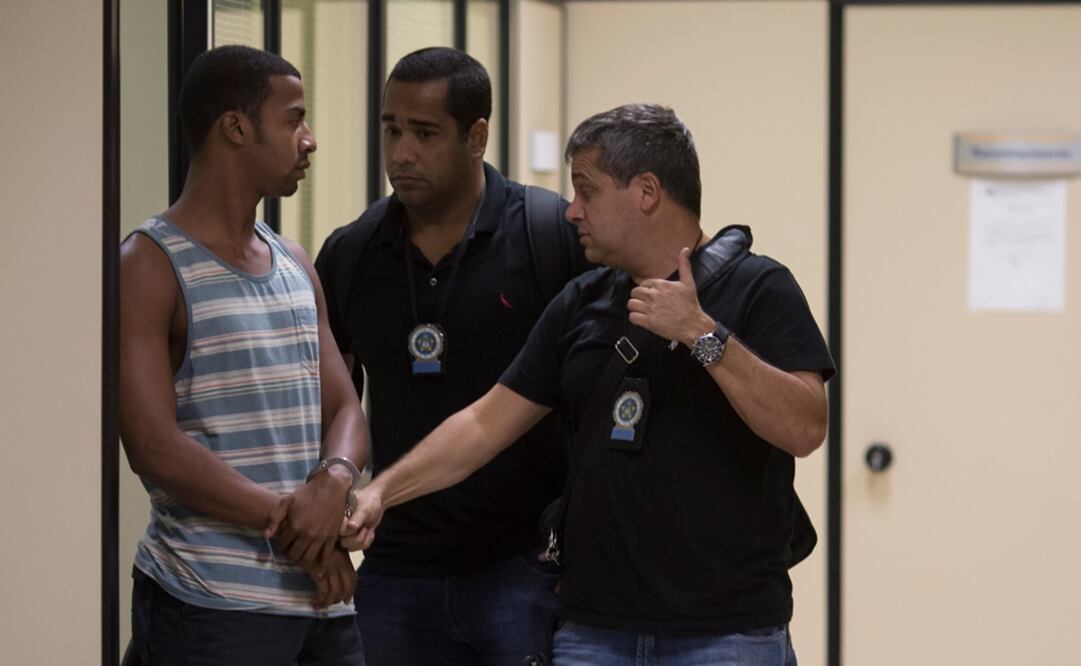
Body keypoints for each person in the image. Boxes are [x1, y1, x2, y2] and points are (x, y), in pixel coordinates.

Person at [341, 103, 835, 666]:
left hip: (726, 634)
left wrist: (701, 333)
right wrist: (380, 492)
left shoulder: (757, 288)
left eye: (587, 191)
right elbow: (483, 424)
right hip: (592, 634)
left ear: (646, 192)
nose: (573, 211)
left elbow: (804, 426)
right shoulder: (583, 301)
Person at [313, 47, 589, 665]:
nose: (401, 153)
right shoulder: (353, 253)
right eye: (391, 129)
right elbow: (330, 404)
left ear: (477, 136)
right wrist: (325, 520)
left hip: (524, 568)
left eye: (424, 133)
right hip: (393, 571)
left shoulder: (549, 237)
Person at [119, 45, 368, 665]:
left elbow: (343, 406)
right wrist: (300, 524)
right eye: (293, 120)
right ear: (235, 127)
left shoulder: (295, 261)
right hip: (209, 604)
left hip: (320, 600)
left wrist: (335, 479)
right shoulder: (149, 263)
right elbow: (153, 446)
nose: (308, 140)